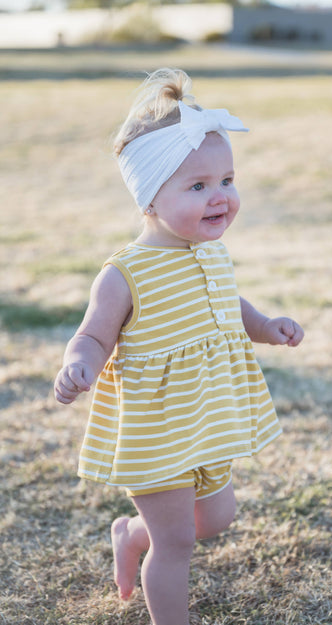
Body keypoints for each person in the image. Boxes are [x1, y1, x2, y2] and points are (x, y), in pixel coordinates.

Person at [54, 68, 304, 625]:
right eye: (198, 187)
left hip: (208, 419)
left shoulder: (211, 252)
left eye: (226, 180)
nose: (221, 198)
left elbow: (229, 307)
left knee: (215, 518)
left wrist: (266, 325)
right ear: (149, 198)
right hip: (157, 432)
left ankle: (130, 534)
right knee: (178, 545)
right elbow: (94, 333)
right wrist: (80, 364)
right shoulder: (126, 273)